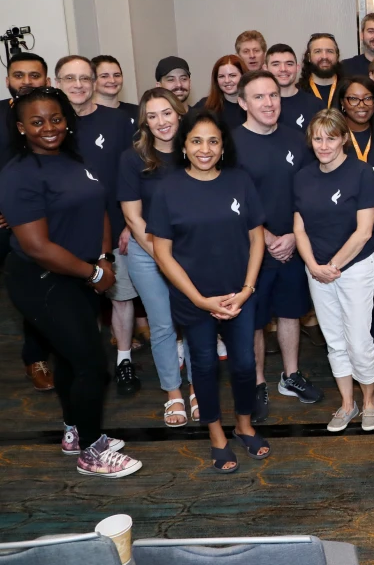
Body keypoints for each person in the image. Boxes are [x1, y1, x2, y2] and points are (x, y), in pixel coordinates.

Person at [0, 86, 141, 477]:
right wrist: (95, 274)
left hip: (81, 272)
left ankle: (75, 431)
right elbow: (37, 246)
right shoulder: (19, 174)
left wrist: (101, 256)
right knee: (92, 365)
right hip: (43, 280)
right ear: (21, 127)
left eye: (56, 119)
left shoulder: (72, 158)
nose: (49, 128)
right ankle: (92, 451)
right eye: (38, 121)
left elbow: (97, 208)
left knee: (68, 358)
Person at [149, 109, 268, 472]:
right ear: (184, 145)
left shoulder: (239, 181)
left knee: (246, 364)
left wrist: (247, 289)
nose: (205, 148)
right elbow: (162, 253)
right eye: (197, 140)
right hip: (193, 299)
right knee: (202, 364)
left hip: (239, 295)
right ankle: (216, 433)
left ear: (222, 146)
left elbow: (256, 237)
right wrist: (199, 299)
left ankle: (244, 425)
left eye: (213, 141)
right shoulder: (167, 188)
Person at [234, 70, 322, 420]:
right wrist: (268, 236)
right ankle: (258, 383)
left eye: (273, 95)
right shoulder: (231, 144)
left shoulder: (296, 139)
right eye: (258, 97)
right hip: (253, 250)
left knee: (290, 312)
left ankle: (291, 375)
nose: (269, 103)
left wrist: (291, 237)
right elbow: (232, 200)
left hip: (291, 245)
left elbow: (309, 192)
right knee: (255, 321)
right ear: (242, 102)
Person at [292, 109, 374, 432]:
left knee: (358, 340)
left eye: (331, 137)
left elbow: (364, 232)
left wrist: (331, 267)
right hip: (317, 270)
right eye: (317, 138)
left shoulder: (361, 173)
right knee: (334, 340)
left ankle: (370, 400)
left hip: (354, 269)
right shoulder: (302, 176)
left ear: (344, 138)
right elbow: (299, 229)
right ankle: (348, 403)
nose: (324, 145)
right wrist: (314, 266)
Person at [55, 55, 140, 397]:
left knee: (120, 297)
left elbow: (133, 174)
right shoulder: (52, 125)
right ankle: (88, 362)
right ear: (57, 82)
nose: (78, 85)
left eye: (84, 78)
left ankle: (123, 359)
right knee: (77, 304)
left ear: (93, 82)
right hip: (66, 233)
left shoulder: (119, 121)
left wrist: (129, 224)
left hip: (116, 229)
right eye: (69, 78)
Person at [119, 88, 198, 427]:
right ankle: (173, 393)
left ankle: (197, 388)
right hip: (147, 252)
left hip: (192, 249)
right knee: (163, 323)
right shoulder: (132, 158)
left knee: (194, 321)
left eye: (166, 113)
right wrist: (162, 257)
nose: (161, 122)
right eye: (152, 116)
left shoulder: (195, 150)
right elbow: (134, 218)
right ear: (145, 122)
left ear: (179, 112)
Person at [334, 76, 374, 372]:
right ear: (343, 104)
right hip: (341, 230)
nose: (361, 105)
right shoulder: (333, 137)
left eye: (367, 98)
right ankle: (346, 352)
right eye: (353, 99)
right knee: (341, 296)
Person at [0, 52, 54, 392]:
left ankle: (36, 358)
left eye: (35, 76)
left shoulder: (51, 116)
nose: (27, 82)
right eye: (19, 75)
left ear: (46, 81)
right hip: (1, 221)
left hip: (40, 221)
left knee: (37, 289)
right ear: (8, 80)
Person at [267, 43, 324, 132]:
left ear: (297, 68)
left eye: (289, 64)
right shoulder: (259, 106)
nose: (283, 69)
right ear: (265, 68)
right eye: (276, 64)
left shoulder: (316, 105)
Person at [200, 54, 247, 127]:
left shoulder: (254, 105)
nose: (227, 80)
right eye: (221, 76)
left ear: (243, 76)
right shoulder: (204, 106)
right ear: (216, 80)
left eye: (232, 75)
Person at [301, 33, 344, 111]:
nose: (324, 56)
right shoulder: (298, 92)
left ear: (337, 56)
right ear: (309, 57)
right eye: (318, 51)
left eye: (330, 51)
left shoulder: (349, 89)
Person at [91, 55, 140, 120]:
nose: (112, 80)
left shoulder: (138, 112)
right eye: (104, 76)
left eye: (117, 75)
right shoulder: (83, 114)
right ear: (92, 80)